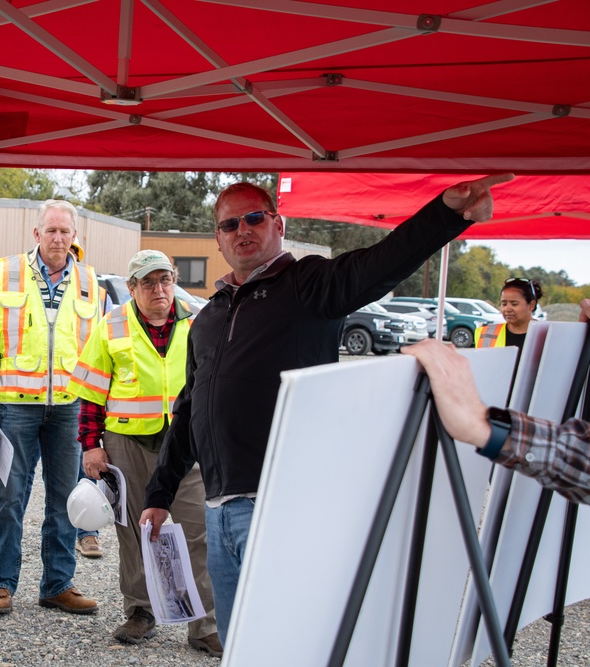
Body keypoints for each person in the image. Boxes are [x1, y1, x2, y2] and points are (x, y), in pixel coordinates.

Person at [141, 174, 514, 645]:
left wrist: (446, 214)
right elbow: (189, 410)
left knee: (289, 642)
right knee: (239, 646)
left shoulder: (308, 284)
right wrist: (159, 493)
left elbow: (378, 265)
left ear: (277, 223)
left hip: (279, 504)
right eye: (230, 223)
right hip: (218, 511)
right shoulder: (209, 317)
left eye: (254, 217)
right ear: (217, 238)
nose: (243, 230)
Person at [69, 250, 221, 656]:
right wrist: (91, 446)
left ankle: (204, 625)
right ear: (132, 287)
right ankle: (140, 611)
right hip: (128, 443)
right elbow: (90, 393)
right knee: (134, 532)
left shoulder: (198, 319)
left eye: (165, 280)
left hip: (185, 444)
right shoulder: (111, 325)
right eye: (148, 282)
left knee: (195, 533)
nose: (159, 289)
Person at [0, 200, 104, 616]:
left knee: (66, 498)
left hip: (69, 406)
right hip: (15, 405)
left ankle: (57, 585)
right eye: (51, 231)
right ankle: (2, 583)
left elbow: (97, 349)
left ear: (74, 236)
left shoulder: (88, 280)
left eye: (65, 232)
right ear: (37, 234)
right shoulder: (9, 273)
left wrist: (96, 407)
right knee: (10, 496)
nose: (58, 238)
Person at [403, 325, 590, 505]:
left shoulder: (544, 336)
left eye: (514, 303)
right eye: (505, 302)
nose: (507, 308)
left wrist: (484, 426)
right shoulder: (492, 331)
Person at [476, 278, 544, 351]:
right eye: (504, 304)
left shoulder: (547, 335)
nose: (507, 309)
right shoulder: (485, 334)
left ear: (531, 305)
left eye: (514, 304)